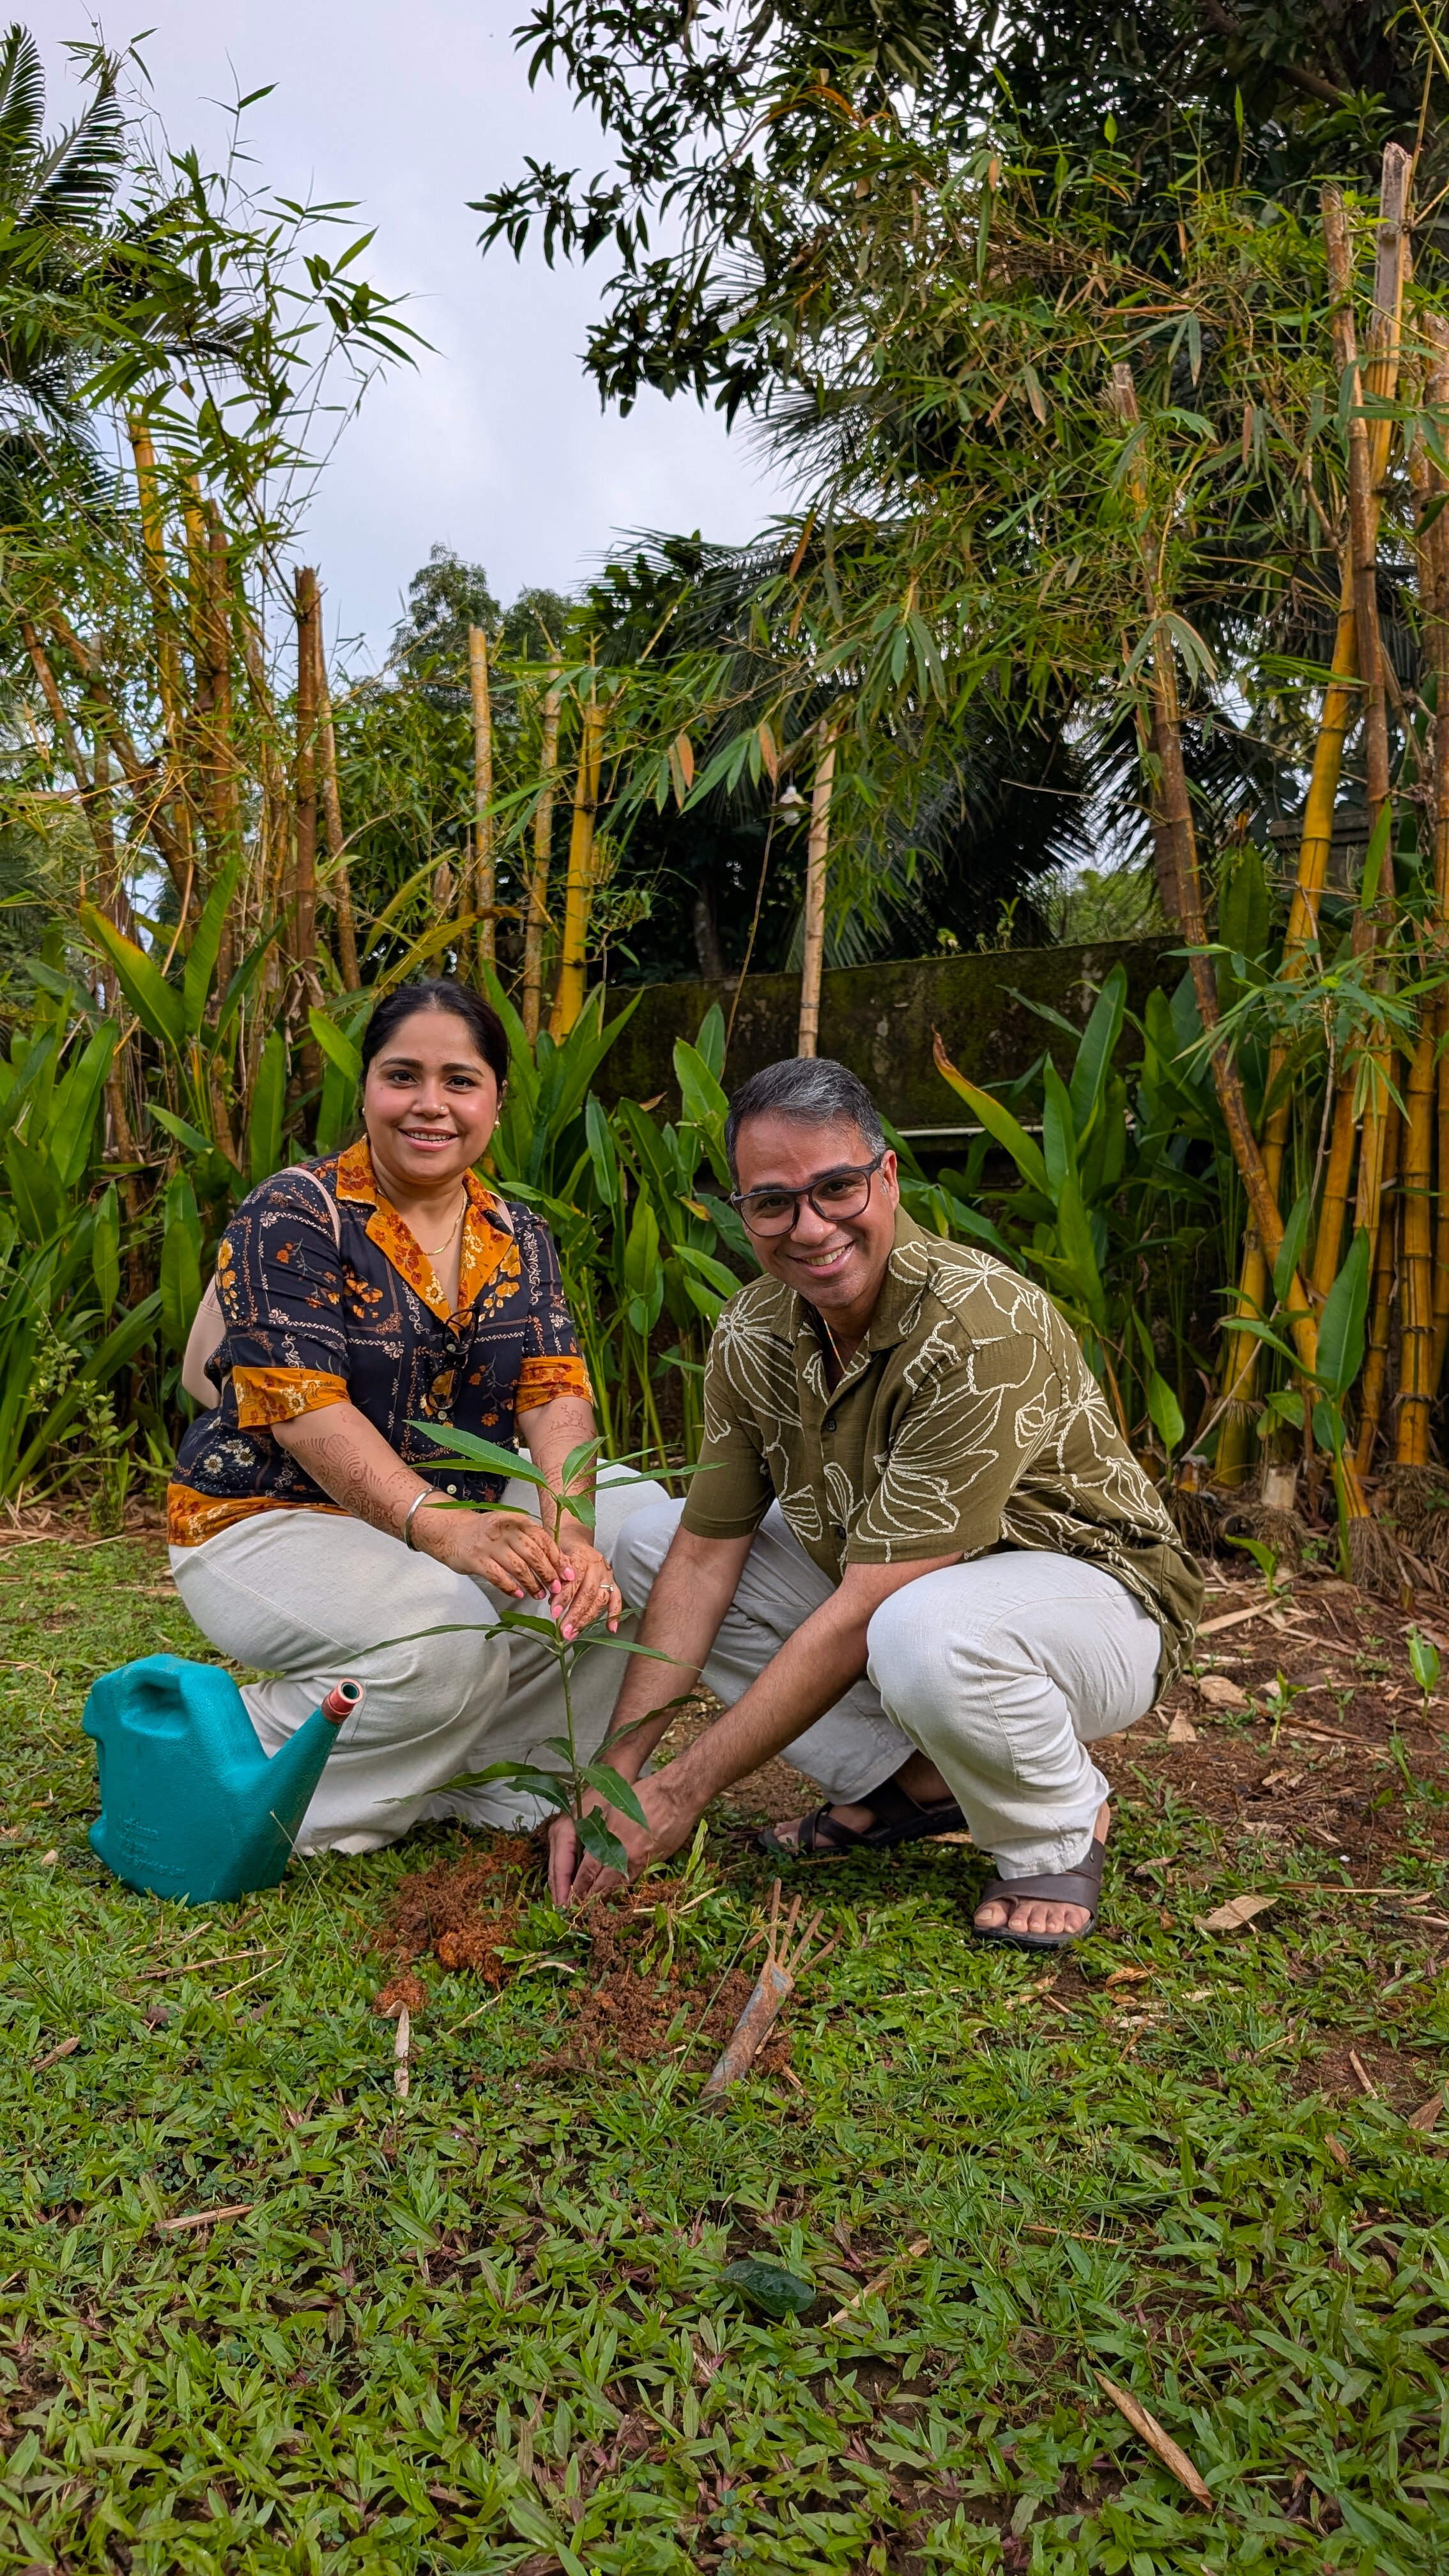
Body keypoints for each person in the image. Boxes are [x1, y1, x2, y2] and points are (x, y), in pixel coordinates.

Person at [547, 1056, 1202, 1951]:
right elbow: (705, 1555)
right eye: (773, 1202)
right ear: (742, 1213)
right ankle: (914, 1782)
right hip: (912, 1590)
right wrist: (615, 1776)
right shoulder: (752, 1330)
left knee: (917, 1630)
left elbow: (865, 1611)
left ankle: (1056, 1823)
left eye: (837, 1188)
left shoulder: (976, 1327)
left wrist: (680, 1792)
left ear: (887, 1178)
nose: (809, 1227)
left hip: (1100, 1604)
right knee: (656, 1538)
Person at [167, 978, 666, 1854]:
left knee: (641, 1528)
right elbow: (303, 1412)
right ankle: (221, 1767)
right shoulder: (294, 1213)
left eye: (460, 1080)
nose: (430, 1105)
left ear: (497, 1102)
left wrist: (573, 1532)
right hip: (268, 1517)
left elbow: (554, 1392)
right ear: (365, 1090)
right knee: (448, 1641)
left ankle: (490, 1774)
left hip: (448, 1511)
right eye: (403, 1076)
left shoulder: (517, 1233)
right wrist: (444, 1529)